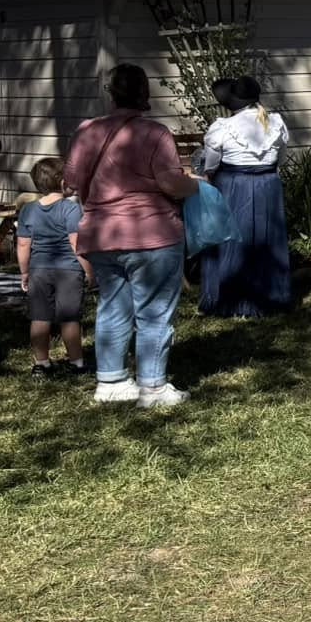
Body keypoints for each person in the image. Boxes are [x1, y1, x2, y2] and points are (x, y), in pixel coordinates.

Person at [64, 63, 197, 409]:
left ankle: (111, 381)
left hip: (101, 233)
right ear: (144, 93)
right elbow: (170, 183)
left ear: (111, 93)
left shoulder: (86, 131)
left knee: (112, 306)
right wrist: (197, 186)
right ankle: (152, 387)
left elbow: (73, 180)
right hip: (152, 233)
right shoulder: (154, 133)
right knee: (153, 313)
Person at [196, 76, 293, 318]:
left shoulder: (223, 127)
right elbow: (280, 159)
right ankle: (270, 296)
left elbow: (211, 165)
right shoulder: (276, 123)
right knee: (266, 237)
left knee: (231, 239)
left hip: (233, 185)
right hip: (268, 185)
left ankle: (229, 298)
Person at [16, 156, 89, 375]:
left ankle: (41, 363)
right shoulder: (70, 209)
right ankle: (76, 362)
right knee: (69, 317)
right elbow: (75, 242)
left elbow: (22, 244)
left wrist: (24, 272)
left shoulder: (28, 210)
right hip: (68, 270)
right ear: (63, 183)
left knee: (39, 317)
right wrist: (88, 269)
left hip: (39, 269)